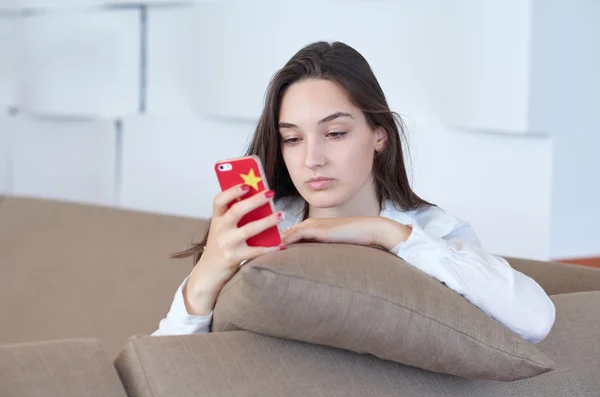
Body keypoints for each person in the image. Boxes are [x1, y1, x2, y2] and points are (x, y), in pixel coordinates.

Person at [153, 41, 555, 343]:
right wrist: (204, 277)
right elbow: (167, 364)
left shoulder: (429, 231)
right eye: (292, 139)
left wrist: (386, 234)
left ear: (379, 134)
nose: (313, 158)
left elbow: (535, 320)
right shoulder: (261, 225)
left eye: (335, 133)